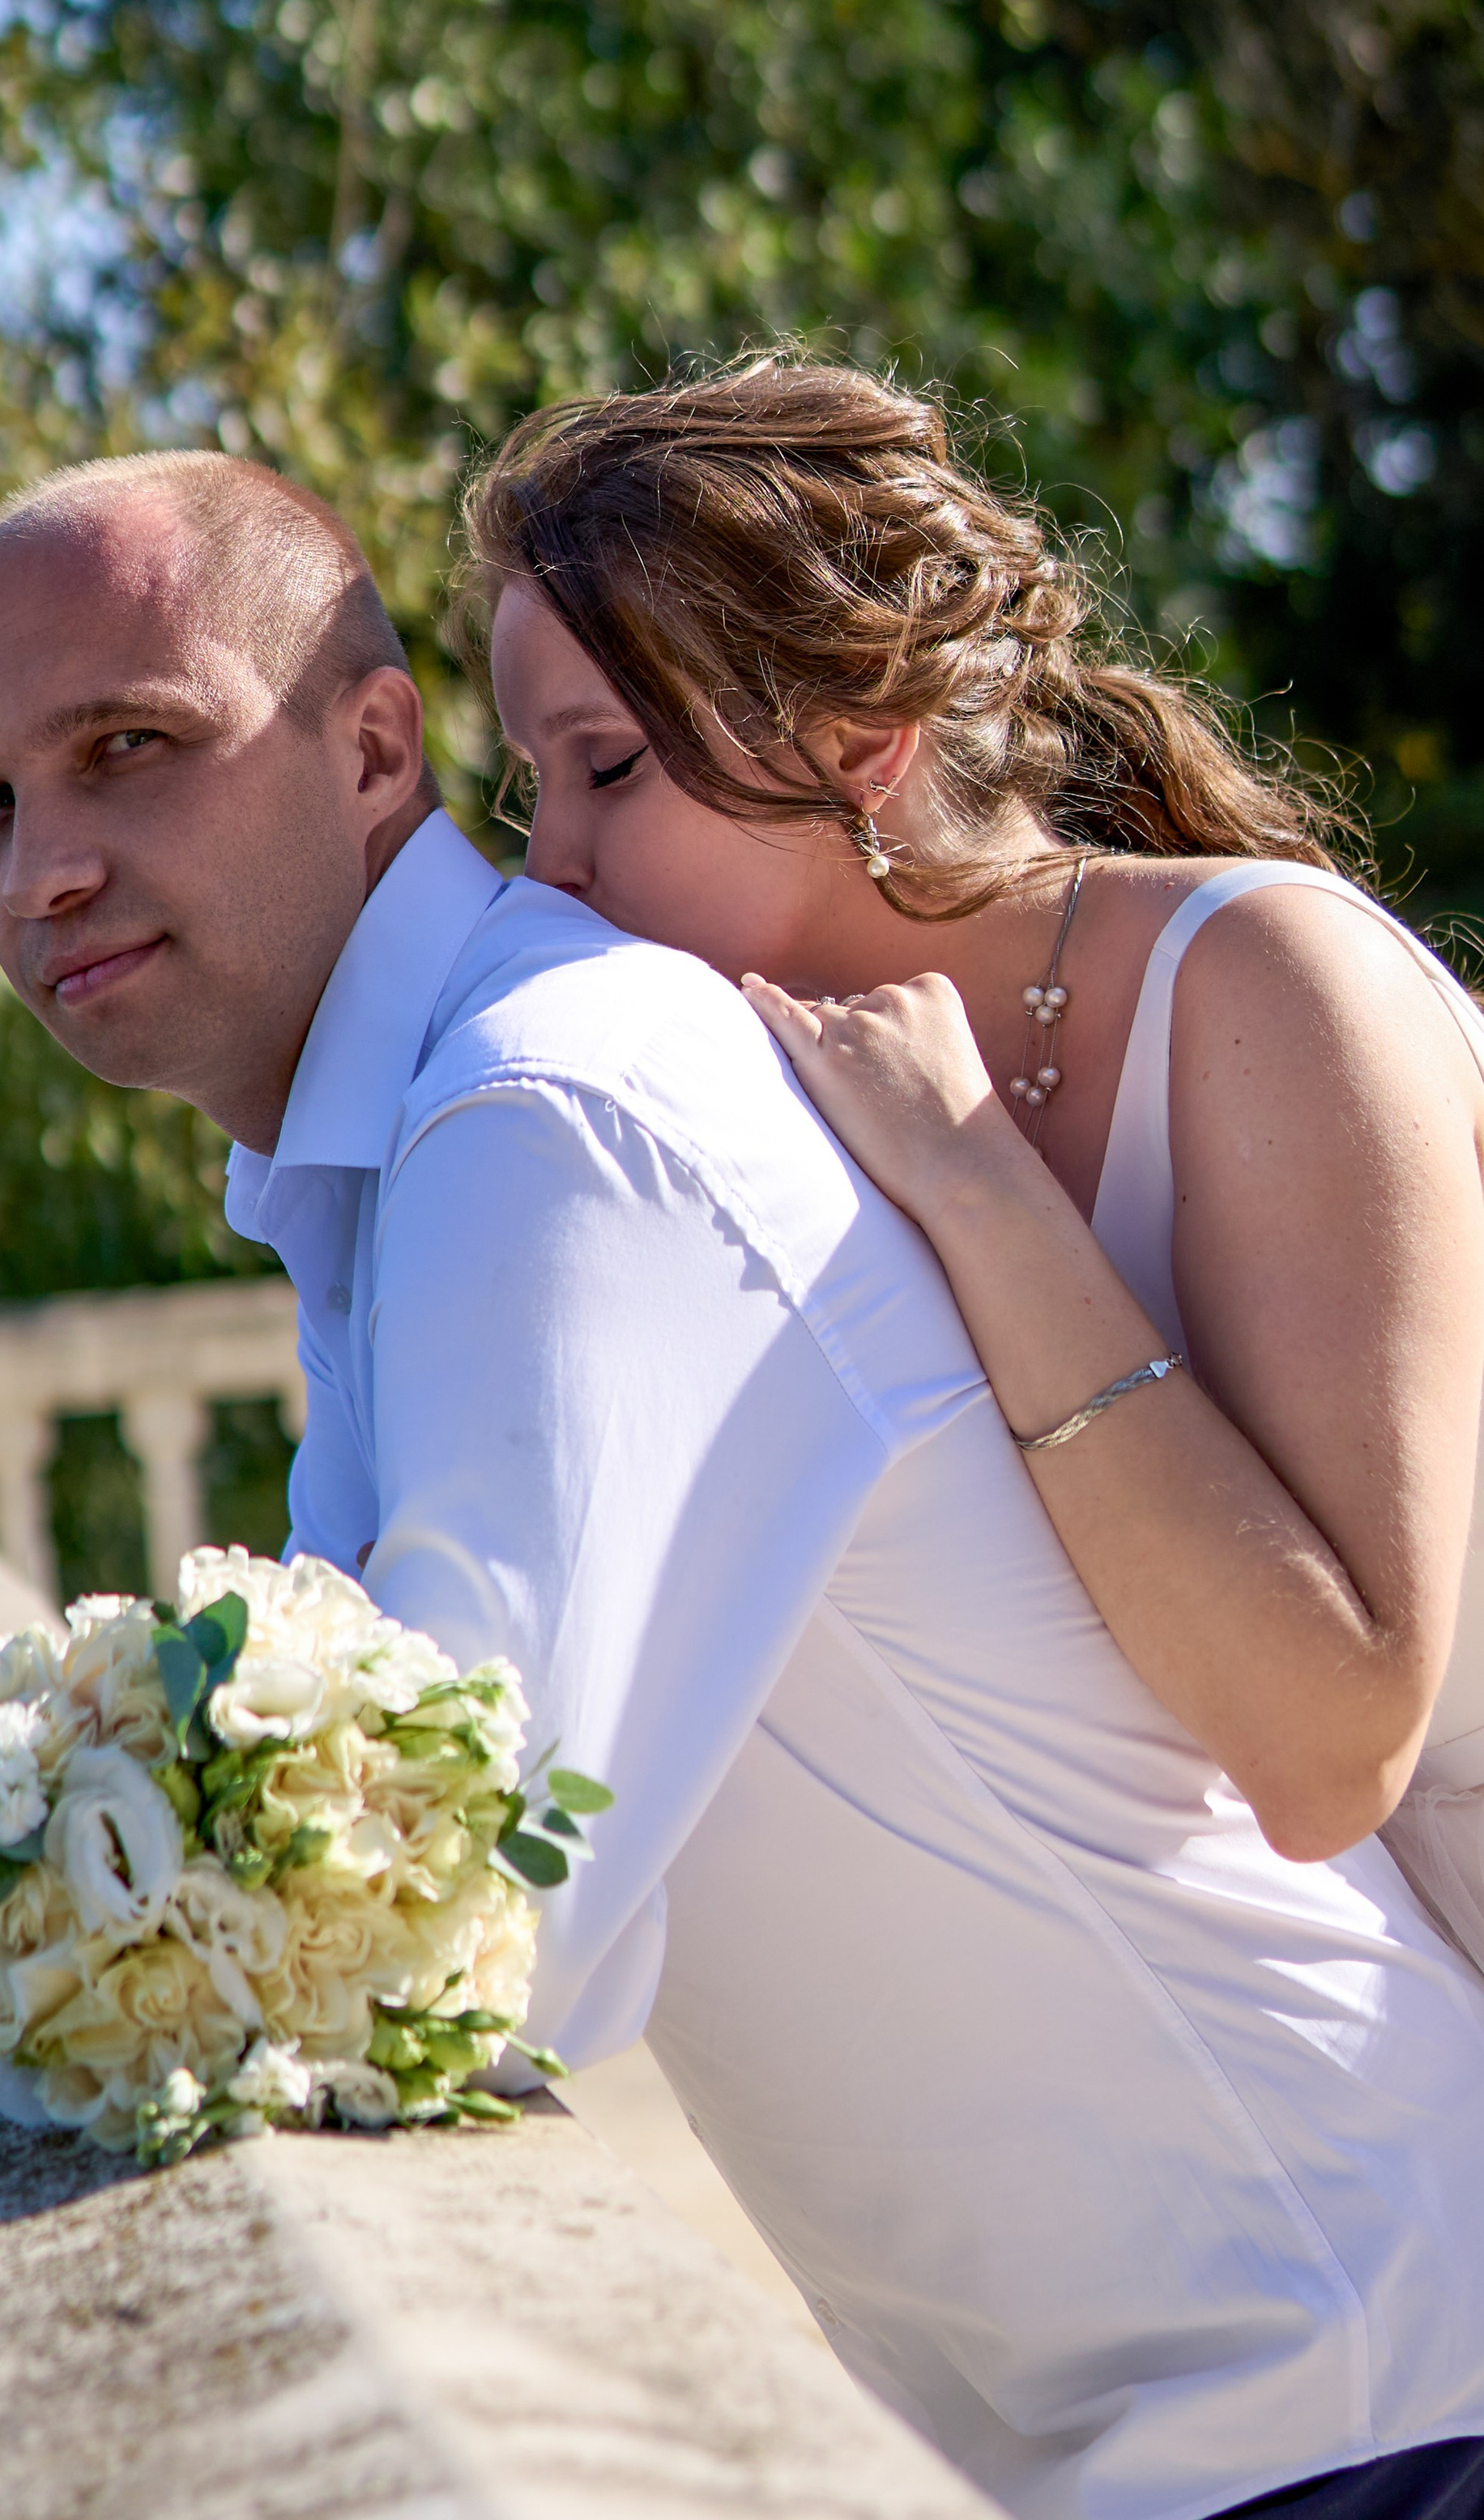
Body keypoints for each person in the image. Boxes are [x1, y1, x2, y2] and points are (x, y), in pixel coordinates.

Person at [0, 442, 1484, 2520]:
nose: (38, 869)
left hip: (1342, 2376)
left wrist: (51, 1916)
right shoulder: (450, 1125)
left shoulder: (557, 1103)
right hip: (1206, 2389)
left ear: (367, 749)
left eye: (128, 746)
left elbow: (475, 1913)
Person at [458, 352, 1484, 1972]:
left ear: (862, 734)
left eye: (607, 766)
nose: (548, 869)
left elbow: (1330, 1744)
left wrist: (980, 1185)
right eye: (531, 787)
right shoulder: (778, 1087)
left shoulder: (1276, 982)